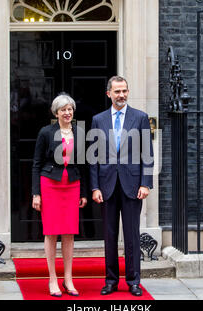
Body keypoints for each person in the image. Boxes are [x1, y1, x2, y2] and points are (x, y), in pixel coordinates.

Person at [89, 76, 154, 297]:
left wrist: (146, 183)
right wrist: (95, 187)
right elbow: (93, 157)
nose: (121, 95)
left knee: (132, 235)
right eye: (117, 92)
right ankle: (111, 280)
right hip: (106, 186)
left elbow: (147, 154)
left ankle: (134, 281)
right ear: (108, 94)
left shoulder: (140, 118)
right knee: (109, 235)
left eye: (124, 91)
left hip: (132, 184)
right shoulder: (98, 120)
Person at [32, 94, 88, 297]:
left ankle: (68, 278)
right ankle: (52, 279)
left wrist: (83, 192)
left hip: (72, 185)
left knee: (69, 233)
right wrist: (35, 193)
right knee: (51, 232)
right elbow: (36, 164)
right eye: (63, 109)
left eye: (70, 109)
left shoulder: (80, 133)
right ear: (56, 113)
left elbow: (83, 165)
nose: (67, 112)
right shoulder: (46, 132)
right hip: (49, 185)